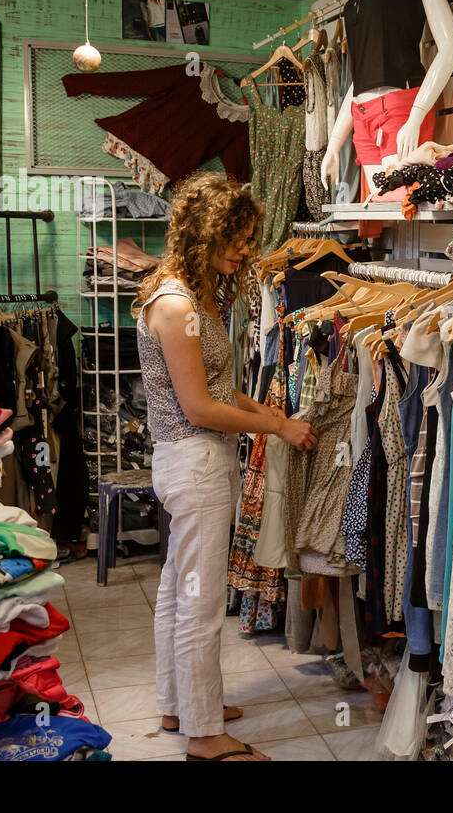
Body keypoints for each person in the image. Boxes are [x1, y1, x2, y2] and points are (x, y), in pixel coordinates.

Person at [134, 172, 317, 761]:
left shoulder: (189, 295)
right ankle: (205, 735)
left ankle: (181, 705)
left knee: (177, 589)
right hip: (195, 464)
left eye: (246, 238)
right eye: (234, 239)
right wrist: (278, 426)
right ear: (202, 233)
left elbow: (221, 386)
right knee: (203, 601)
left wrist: (264, 409)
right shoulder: (178, 305)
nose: (244, 250)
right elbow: (199, 407)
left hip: (192, 463)